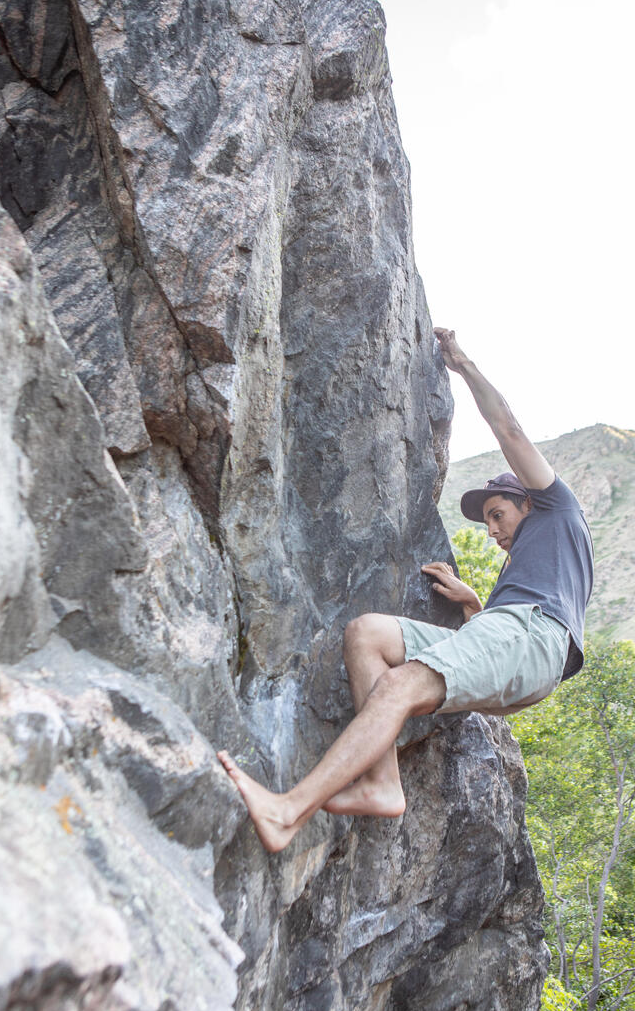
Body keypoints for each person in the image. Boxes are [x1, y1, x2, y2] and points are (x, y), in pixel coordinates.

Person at [218, 328, 594, 852]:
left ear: (529, 500)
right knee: (367, 634)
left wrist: (463, 364)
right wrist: (473, 603)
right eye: (488, 522)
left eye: (497, 514)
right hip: (517, 637)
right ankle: (381, 782)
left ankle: (286, 812)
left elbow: (507, 427)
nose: (493, 530)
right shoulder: (540, 564)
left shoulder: (557, 507)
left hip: (530, 636)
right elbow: (493, 660)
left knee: (398, 687)